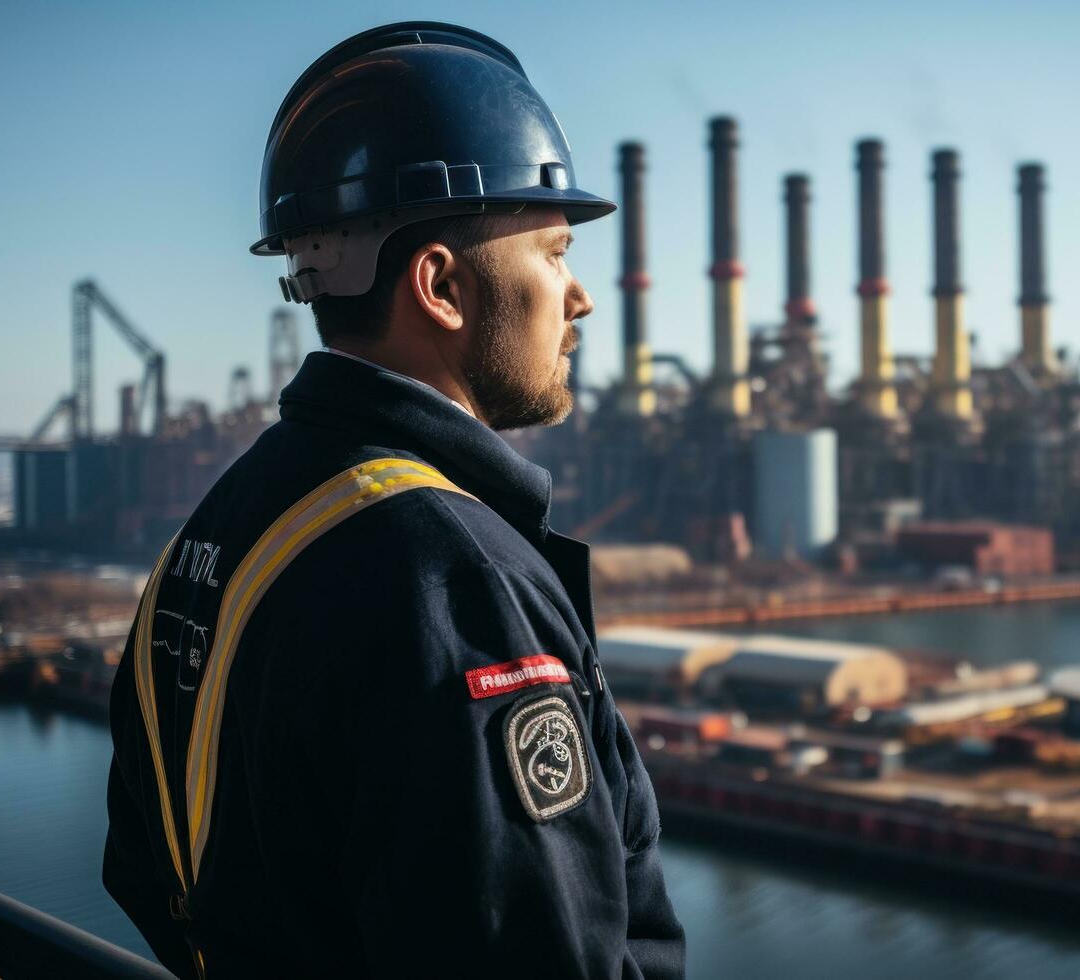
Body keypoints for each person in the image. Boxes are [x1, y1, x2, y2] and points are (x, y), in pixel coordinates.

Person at [102, 22, 684, 978]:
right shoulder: (457, 578)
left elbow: (141, 868)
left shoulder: (214, 530)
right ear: (441, 285)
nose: (578, 297)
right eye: (551, 251)